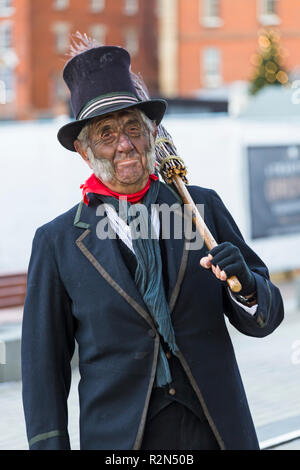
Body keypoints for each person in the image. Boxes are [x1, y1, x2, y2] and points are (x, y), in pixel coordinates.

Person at [21, 44, 284, 451]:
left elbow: (264, 320)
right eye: (106, 134)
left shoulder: (202, 209)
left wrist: (247, 284)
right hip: (120, 439)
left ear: (153, 133)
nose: (124, 144)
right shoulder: (57, 242)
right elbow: (42, 368)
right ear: (83, 150)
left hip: (216, 431)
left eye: (132, 128)